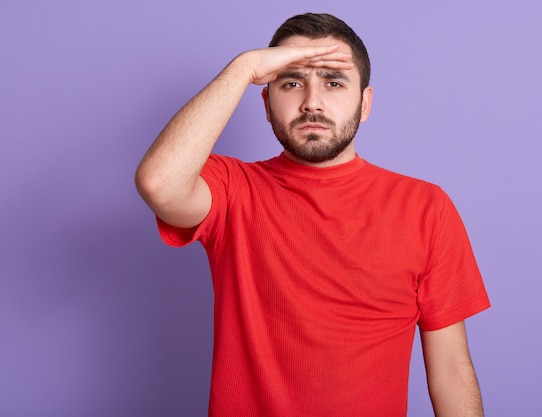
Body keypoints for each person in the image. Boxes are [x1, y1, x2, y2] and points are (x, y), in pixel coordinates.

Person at [136, 12, 490, 417]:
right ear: (266, 104)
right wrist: (244, 68)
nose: (312, 102)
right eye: (291, 82)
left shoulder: (426, 206)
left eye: (334, 82)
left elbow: (450, 369)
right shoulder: (232, 189)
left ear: (365, 103)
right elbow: (159, 184)